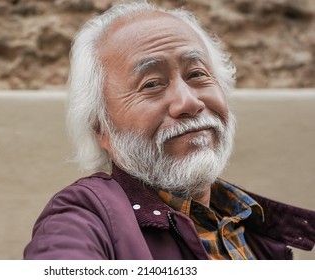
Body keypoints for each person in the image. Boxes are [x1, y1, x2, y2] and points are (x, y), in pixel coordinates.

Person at [24, 2, 315, 260]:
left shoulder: (251, 226)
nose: (189, 102)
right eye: (151, 84)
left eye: (197, 74)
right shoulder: (84, 217)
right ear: (103, 129)